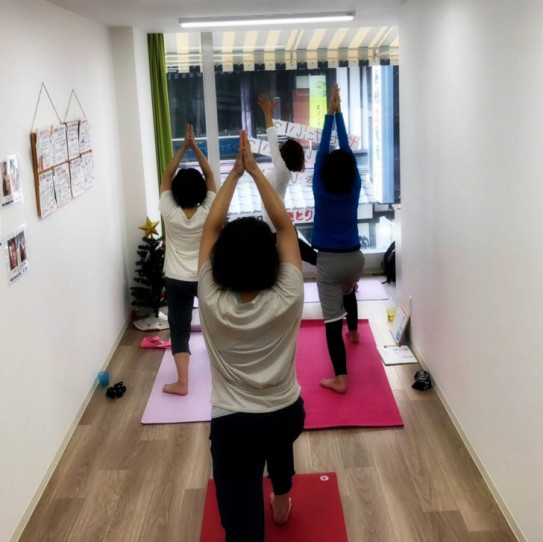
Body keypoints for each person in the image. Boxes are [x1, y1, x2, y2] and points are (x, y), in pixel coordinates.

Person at [198, 131, 305, 542]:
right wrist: (256, 172)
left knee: (242, 524)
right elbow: (284, 228)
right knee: (277, 444)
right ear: (271, 260)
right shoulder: (289, 294)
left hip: (234, 425)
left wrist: (234, 174)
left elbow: (211, 227)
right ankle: (281, 499)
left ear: (221, 262)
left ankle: (270, 505)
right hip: (284, 414)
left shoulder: (212, 300)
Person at [311, 83, 365, 394]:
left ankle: (341, 378)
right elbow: (346, 154)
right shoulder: (354, 186)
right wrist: (339, 114)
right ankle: (355, 332)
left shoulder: (320, 189)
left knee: (332, 322)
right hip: (355, 260)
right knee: (348, 289)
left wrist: (329, 116)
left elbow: (322, 153)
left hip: (329, 262)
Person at [159, 123, 217, 395]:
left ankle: (182, 382)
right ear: (201, 191)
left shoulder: (169, 211)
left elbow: (166, 174)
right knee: (214, 324)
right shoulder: (209, 210)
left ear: (176, 192)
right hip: (204, 277)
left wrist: (183, 147)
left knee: (180, 329)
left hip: (176, 279)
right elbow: (210, 174)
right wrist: (196, 147)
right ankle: (222, 372)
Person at [257, 94, 318, 265]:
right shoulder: (280, 173)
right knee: (311, 258)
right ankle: (329, 269)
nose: (279, 146)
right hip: (278, 228)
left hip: (277, 230)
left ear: (285, 154)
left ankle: (330, 270)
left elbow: (271, 141)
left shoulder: (282, 172)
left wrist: (268, 114)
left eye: (282, 146)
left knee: (311, 259)